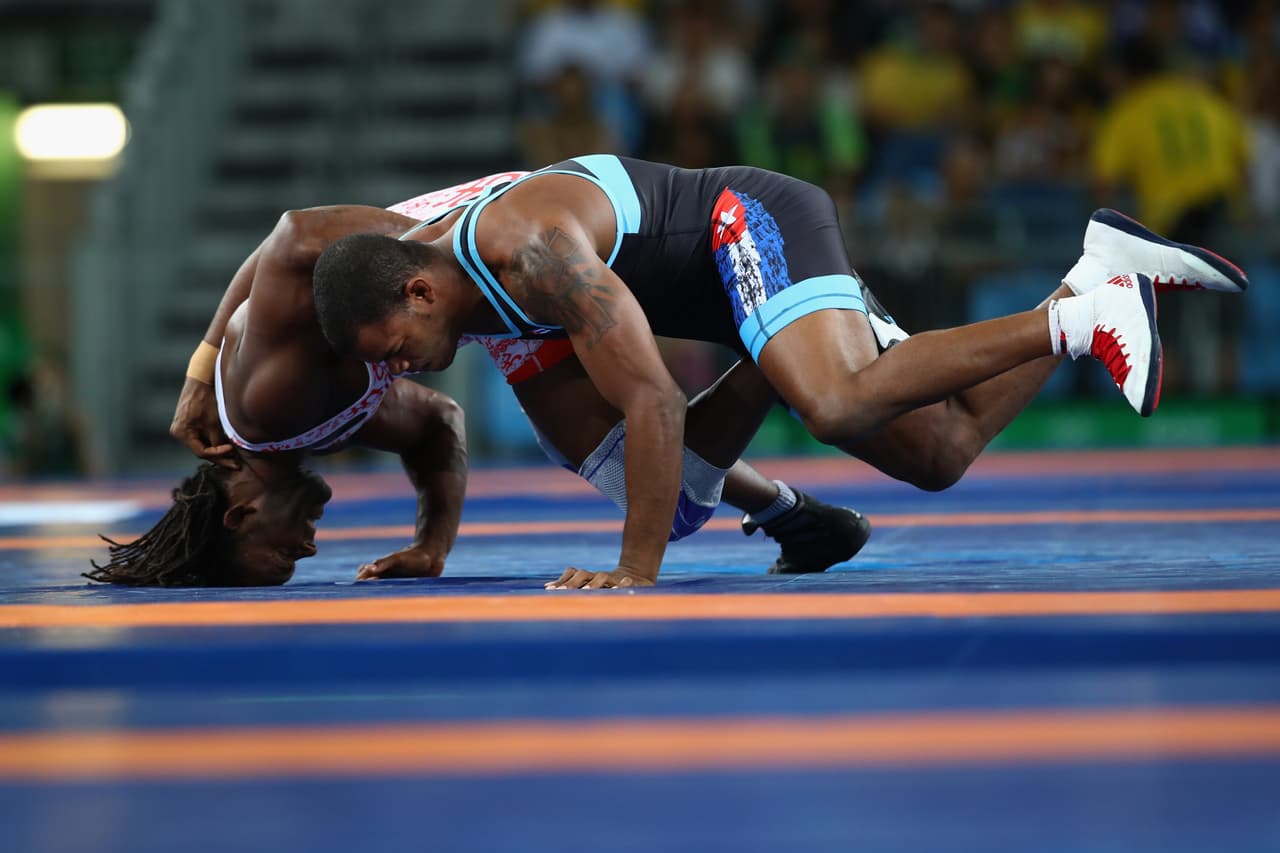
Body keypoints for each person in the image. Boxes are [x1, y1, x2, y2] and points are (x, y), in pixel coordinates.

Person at [310, 154, 1249, 590]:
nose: (391, 372)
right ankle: (1095, 274)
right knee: (941, 449)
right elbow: (667, 480)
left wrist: (634, 574)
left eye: (386, 348)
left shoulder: (531, 252)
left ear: (420, 293)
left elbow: (650, 397)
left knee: (835, 403)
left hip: (747, 225)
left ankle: (1082, 322)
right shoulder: (471, 310)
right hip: (733, 292)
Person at [86, 176, 870, 587]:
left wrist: (449, 258)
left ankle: (776, 324)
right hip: (429, 285)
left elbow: (294, 235)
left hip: (460, 245)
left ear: (239, 514)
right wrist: (431, 545)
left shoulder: (266, 405)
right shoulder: (299, 427)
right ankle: (791, 506)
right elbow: (437, 425)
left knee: (646, 436)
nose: (307, 547)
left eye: (281, 552)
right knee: (650, 487)